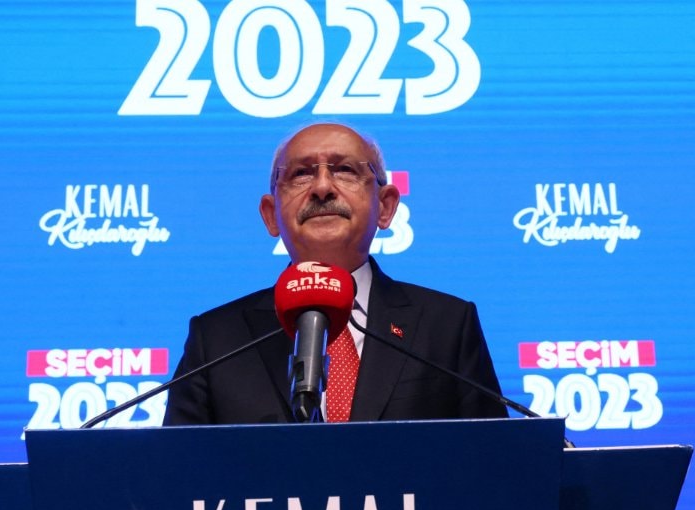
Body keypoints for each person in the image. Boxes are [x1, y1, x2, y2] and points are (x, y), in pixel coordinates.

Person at [162, 123, 508, 425]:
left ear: (385, 206)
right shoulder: (217, 340)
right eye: (301, 173)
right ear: (270, 214)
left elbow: (491, 461)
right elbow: (179, 470)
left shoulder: (447, 326)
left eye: (344, 170)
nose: (323, 187)